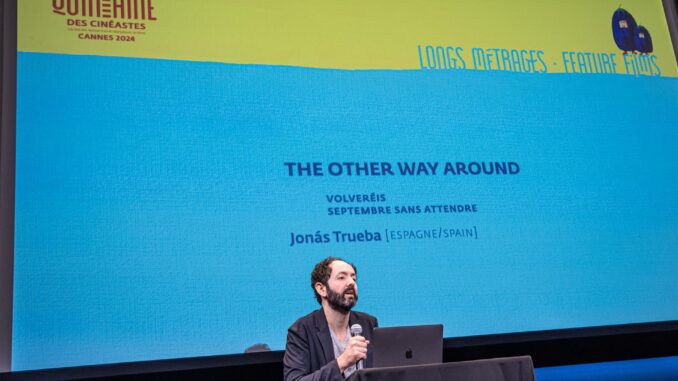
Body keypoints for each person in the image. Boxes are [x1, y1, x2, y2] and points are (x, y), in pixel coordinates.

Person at [284, 257, 378, 381]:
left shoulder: (368, 323)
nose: (351, 282)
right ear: (321, 289)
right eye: (341, 277)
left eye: (354, 278)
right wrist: (342, 362)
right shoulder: (301, 330)